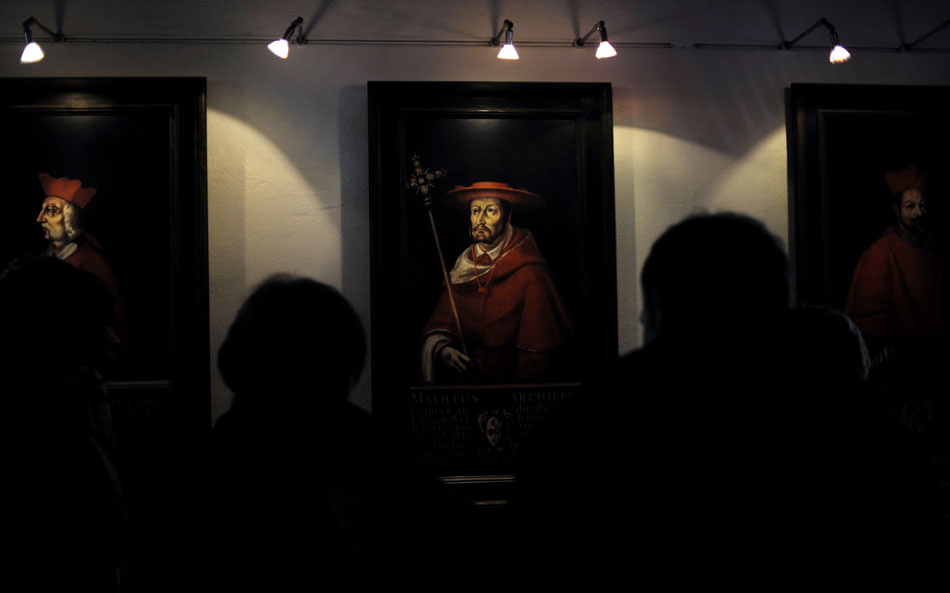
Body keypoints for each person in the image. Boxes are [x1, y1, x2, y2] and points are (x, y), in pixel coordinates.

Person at [420, 182, 573, 384]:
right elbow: (442, 322)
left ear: (507, 216)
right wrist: (443, 348)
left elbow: (539, 355)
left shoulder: (531, 273)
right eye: (475, 211)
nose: (480, 219)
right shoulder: (462, 268)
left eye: (490, 211)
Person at [845, 163, 944, 338]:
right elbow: (870, 318)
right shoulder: (880, 253)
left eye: (923, 205)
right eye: (910, 206)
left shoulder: (936, 249)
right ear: (896, 210)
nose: (919, 213)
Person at [36, 172, 124, 338]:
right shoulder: (47, 256)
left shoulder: (90, 260)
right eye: (42, 210)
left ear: (70, 218)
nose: (40, 218)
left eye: (50, 211)